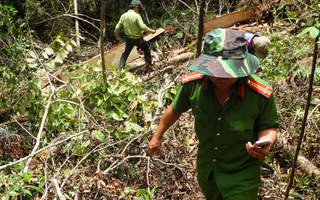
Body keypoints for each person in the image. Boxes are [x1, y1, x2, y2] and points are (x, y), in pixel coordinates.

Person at [147, 28, 279, 200]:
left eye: (228, 71)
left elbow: (269, 127)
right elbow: (174, 109)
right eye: (216, 70)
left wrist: (266, 143)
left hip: (242, 175)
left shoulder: (260, 94)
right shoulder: (192, 86)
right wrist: (157, 137)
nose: (221, 76)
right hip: (208, 172)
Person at [114, 0, 156, 70]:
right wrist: (151, 31)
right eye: (139, 8)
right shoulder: (137, 16)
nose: (139, 10)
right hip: (137, 39)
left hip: (129, 39)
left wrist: (116, 34)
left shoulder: (123, 16)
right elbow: (142, 27)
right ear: (136, 7)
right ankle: (148, 66)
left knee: (125, 53)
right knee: (146, 49)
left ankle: (119, 69)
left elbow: (117, 27)